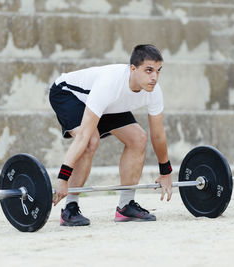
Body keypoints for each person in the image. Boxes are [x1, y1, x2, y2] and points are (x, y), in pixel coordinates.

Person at [49, 44, 173, 226]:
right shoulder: (110, 83)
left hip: (109, 104)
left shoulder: (153, 91)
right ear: (133, 69)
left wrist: (166, 172)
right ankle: (70, 208)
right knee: (91, 140)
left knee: (138, 138)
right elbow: (83, 136)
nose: (154, 77)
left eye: (158, 71)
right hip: (68, 94)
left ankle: (126, 206)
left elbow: (158, 135)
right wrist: (62, 178)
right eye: (148, 70)